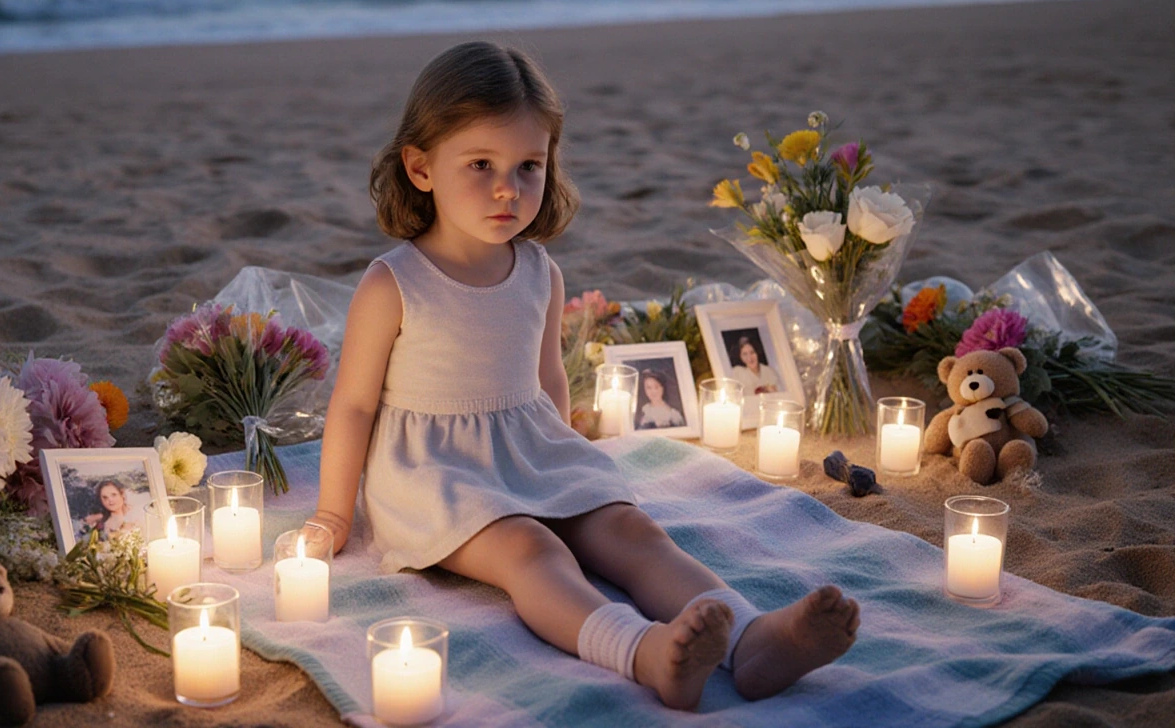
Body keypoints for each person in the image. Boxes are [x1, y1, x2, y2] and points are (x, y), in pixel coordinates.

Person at [303, 41, 858, 709]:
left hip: (532, 445)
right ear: (420, 167)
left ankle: (752, 641)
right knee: (530, 549)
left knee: (632, 532)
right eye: (480, 164)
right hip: (436, 472)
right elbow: (356, 405)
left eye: (528, 166)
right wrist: (335, 511)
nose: (508, 188)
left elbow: (546, 383)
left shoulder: (539, 270)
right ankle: (642, 652)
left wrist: (570, 463)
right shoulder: (394, 282)